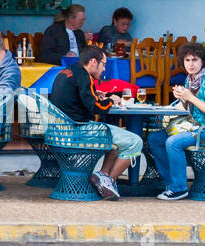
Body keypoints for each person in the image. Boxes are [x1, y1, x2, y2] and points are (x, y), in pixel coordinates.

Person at [49, 44, 142, 201]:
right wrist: (111, 100)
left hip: (62, 129)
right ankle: (108, 181)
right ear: (93, 62)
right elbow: (95, 108)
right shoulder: (84, 77)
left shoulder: (68, 72)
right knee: (135, 142)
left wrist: (95, 95)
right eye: (103, 64)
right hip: (78, 129)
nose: (104, 69)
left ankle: (103, 175)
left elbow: (76, 99)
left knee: (117, 141)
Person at [145, 43, 205, 200]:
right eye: (187, 60)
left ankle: (180, 188)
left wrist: (190, 97)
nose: (191, 64)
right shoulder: (190, 79)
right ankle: (170, 183)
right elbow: (190, 108)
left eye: (195, 60)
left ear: (202, 61)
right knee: (154, 139)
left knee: (173, 142)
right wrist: (182, 98)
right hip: (196, 127)